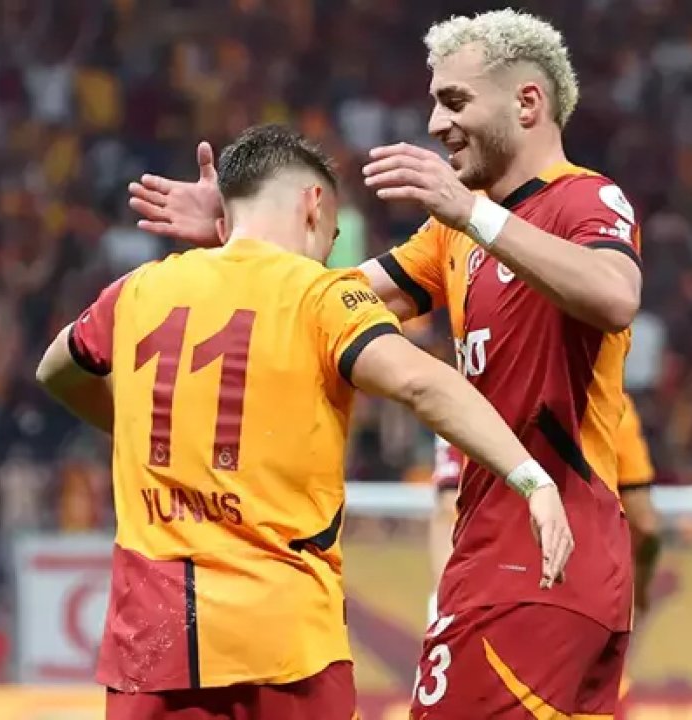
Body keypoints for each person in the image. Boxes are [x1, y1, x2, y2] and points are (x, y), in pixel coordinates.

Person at [127, 9, 643, 718]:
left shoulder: (583, 198)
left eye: (455, 101)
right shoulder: (451, 234)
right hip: (524, 556)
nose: (436, 123)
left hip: (534, 556)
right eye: (435, 102)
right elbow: (317, 303)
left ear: (528, 102)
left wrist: (471, 214)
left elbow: (615, 296)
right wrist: (240, 235)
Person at [36, 124, 575, 720]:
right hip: (282, 643)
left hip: (151, 646)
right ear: (313, 205)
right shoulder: (319, 296)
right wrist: (532, 478)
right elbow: (421, 383)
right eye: (333, 237)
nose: (327, 254)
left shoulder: (138, 290)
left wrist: (138, 426)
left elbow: (56, 369)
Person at [427, 393, 662, 628]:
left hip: (488, 592)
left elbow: (448, 510)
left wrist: (445, 609)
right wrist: (638, 598)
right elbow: (643, 522)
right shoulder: (609, 402)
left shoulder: (467, 395)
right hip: (585, 596)